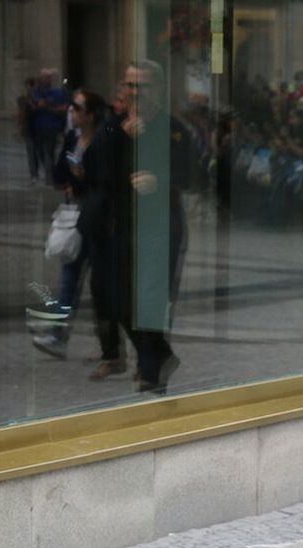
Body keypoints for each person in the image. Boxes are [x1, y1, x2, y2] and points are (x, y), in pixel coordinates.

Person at [85, 60, 190, 391]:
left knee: (150, 299)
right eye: (129, 85)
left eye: (142, 86)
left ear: (157, 88)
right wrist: (121, 137)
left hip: (160, 226)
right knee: (116, 298)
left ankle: (151, 372)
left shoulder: (172, 128)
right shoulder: (113, 126)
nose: (134, 92)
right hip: (120, 226)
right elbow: (93, 167)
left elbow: (193, 174)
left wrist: (160, 181)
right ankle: (159, 356)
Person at [31, 88, 107, 360]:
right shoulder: (73, 138)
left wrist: (82, 177)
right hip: (75, 213)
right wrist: (71, 176)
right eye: (71, 107)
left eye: (77, 107)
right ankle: (58, 334)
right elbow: (58, 173)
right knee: (69, 276)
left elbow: (103, 180)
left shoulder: (103, 140)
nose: (71, 111)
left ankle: (109, 343)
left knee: (100, 284)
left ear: (91, 114)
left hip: (97, 218)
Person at [28, 68, 69, 184]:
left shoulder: (58, 92)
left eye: (49, 78)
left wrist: (49, 107)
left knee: (49, 152)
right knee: (40, 151)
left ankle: (50, 176)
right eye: (44, 77)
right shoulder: (35, 92)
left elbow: (64, 107)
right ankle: (48, 173)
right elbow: (31, 106)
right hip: (38, 126)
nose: (47, 80)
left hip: (52, 126)